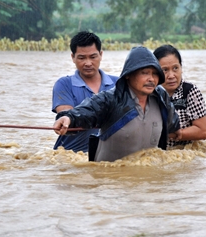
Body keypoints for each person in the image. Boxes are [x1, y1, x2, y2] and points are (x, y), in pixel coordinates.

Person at [53, 46, 181, 162]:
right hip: (110, 179)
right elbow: (87, 110)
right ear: (128, 75)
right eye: (145, 73)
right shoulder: (112, 98)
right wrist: (68, 117)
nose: (151, 79)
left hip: (148, 177)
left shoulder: (161, 97)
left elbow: (174, 125)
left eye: (154, 74)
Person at [52, 31, 118, 153]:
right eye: (82, 58)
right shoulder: (64, 84)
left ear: (101, 55)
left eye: (93, 57)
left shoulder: (118, 84)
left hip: (107, 154)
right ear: (73, 58)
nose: (88, 63)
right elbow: (68, 117)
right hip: (72, 154)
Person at [153, 44, 206, 148]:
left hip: (182, 152)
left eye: (175, 68)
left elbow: (202, 131)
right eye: (165, 70)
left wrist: (176, 134)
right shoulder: (150, 92)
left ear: (181, 68)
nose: (171, 76)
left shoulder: (190, 92)